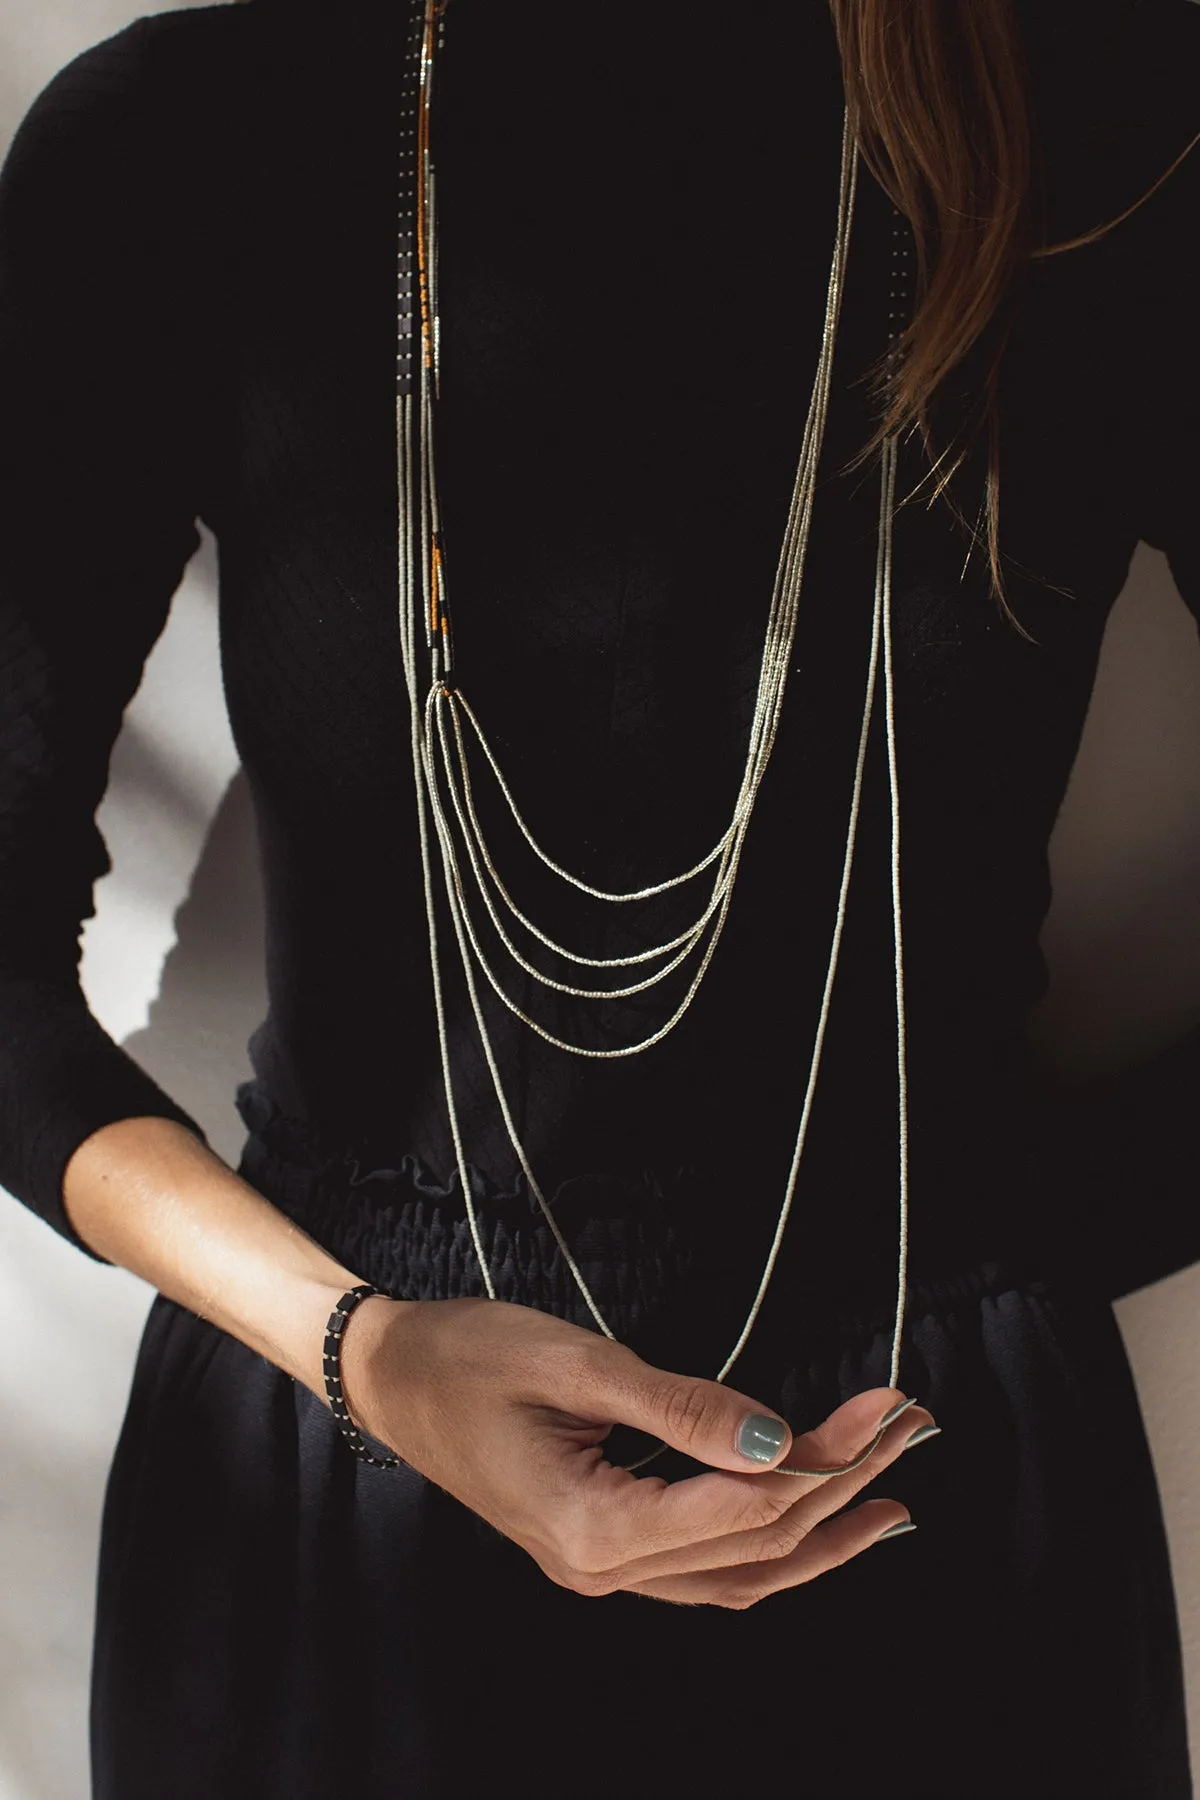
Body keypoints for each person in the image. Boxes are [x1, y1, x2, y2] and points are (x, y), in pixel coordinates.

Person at [0, 0, 1197, 1792]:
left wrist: (997, 1268)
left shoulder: (1107, 136)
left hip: (918, 1521)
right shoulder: (193, 138)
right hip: (339, 1510)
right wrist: (371, 1354)